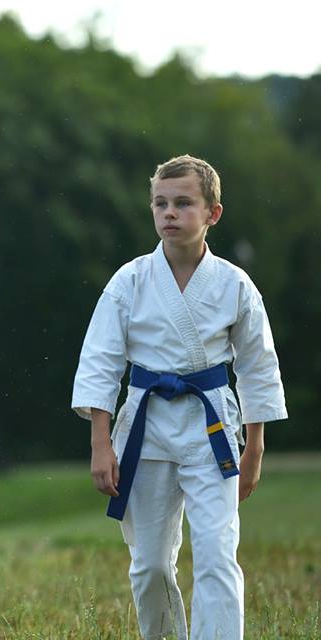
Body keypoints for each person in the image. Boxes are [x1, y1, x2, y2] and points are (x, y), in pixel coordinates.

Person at [71, 155, 287, 640]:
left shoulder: (235, 284)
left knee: (215, 552)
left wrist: (255, 447)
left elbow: (257, 368)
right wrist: (99, 443)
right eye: (161, 203)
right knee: (149, 565)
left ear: (213, 213)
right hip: (144, 428)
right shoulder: (128, 281)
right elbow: (101, 363)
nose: (169, 213)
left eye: (183, 203)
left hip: (211, 429)